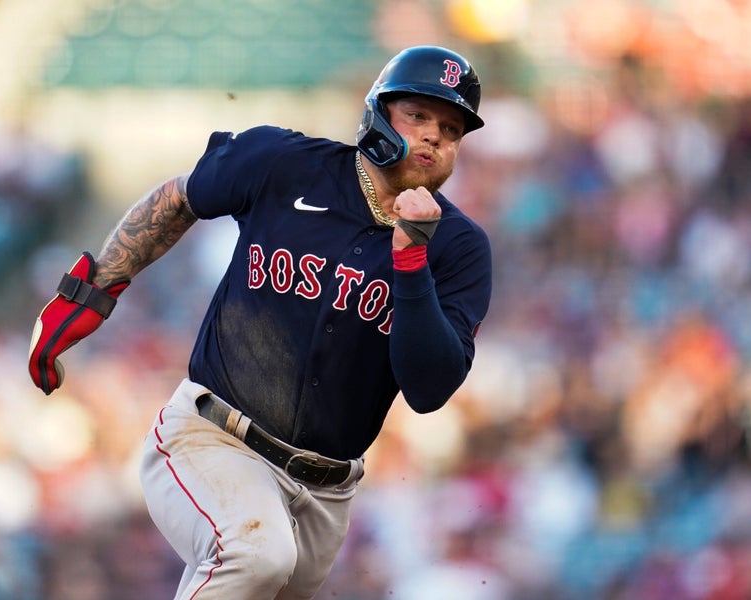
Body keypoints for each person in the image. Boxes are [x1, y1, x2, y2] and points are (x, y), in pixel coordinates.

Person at [28, 45, 493, 599]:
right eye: (418, 115)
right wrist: (96, 287)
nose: (435, 136)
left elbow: (428, 388)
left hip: (326, 491)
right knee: (256, 553)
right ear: (378, 114)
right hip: (214, 437)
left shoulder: (459, 247)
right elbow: (181, 197)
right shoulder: (285, 162)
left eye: (451, 127)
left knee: (263, 561)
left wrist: (412, 261)